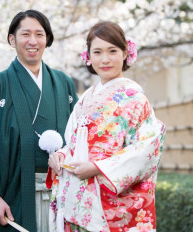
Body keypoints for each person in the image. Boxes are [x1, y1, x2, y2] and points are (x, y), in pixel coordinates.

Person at [0, 9, 78, 231]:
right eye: (25, 34)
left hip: (62, 191)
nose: (32, 41)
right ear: (12, 39)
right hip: (14, 193)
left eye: (39, 34)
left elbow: (80, 136)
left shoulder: (64, 83)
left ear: (47, 39)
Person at [47, 21, 166, 232]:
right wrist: (62, 156)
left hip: (109, 204)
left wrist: (97, 168)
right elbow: (73, 143)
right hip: (78, 198)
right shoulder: (84, 99)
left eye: (112, 51)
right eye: (98, 52)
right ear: (89, 57)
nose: (105, 59)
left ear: (124, 53)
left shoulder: (136, 100)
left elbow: (146, 151)